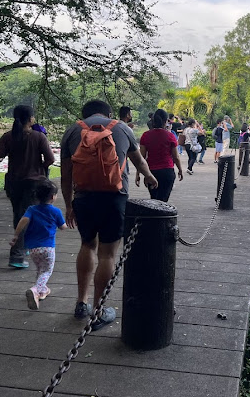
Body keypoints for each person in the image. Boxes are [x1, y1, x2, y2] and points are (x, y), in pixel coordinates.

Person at [61, 100, 158, 330]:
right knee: (107, 255)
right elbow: (139, 160)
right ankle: (98, 310)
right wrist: (149, 176)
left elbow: (66, 175)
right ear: (109, 113)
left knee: (87, 245)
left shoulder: (73, 131)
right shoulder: (121, 128)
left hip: (83, 196)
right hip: (115, 198)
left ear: (84, 114)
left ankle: (81, 303)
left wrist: (68, 205)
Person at [0, 105, 54, 268]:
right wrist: (41, 167)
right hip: (33, 183)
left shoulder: (8, 136)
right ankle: (16, 256)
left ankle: (23, 245)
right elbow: (51, 159)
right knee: (25, 217)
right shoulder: (38, 136)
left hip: (13, 182)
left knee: (19, 215)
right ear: (30, 119)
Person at [11, 179, 66, 310]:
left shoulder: (32, 209)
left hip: (33, 249)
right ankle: (36, 289)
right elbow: (63, 227)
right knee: (47, 271)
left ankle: (42, 291)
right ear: (53, 197)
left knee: (40, 269)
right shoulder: (56, 211)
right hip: (48, 248)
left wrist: (16, 236)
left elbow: (23, 221)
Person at [136, 109, 183, 201]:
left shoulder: (146, 135)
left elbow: (141, 157)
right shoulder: (170, 136)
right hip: (167, 171)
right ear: (166, 121)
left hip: (151, 172)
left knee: (154, 200)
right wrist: (180, 170)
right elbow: (176, 157)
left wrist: (138, 173)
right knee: (163, 201)